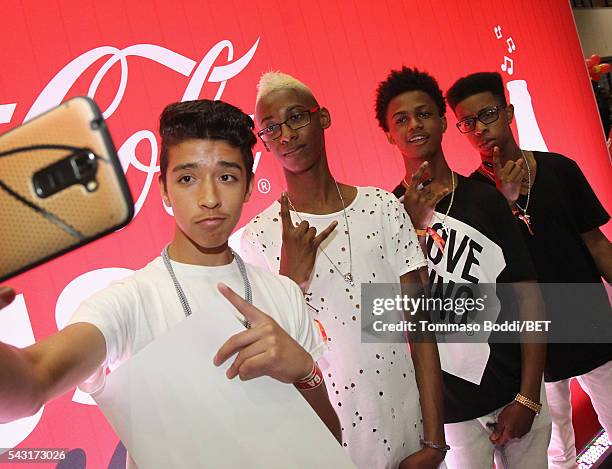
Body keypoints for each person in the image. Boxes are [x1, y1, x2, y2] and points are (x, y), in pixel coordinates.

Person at [0, 99, 341, 468]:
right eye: (187, 178)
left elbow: (330, 444)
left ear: (247, 186)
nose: (209, 199)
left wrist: (306, 372)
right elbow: (33, 381)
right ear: (164, 189)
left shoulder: (284, 294)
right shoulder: (130, 301)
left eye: (226, 177)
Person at [240, 72, 446, 469]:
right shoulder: (258, 238)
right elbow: (269, 361)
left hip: (408, 431)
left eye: (297, 117)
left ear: (324, 118)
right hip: (328, 445)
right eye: (271, 128)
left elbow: (421, 330)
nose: (286, 135)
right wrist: (289, 281)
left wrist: (435, 444)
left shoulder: (383, 207)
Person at [375, 66, 551, 469]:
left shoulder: (486, 200)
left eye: (423, 113)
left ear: (441, 121)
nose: (414, 125)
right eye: (400, 119)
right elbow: (397, 316)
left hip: (514, 390)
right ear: (388, 134)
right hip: (451, 412)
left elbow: (529, 297)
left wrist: (528, 396)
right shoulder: (385, 215)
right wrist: (416, 231)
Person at [447, 71, 612, 469]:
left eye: (488, 114)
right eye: (467, 123)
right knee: (558, 455)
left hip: (589, 324)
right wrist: (503, 202)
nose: (480, 128)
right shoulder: (472, 198)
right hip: (529, 348)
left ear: (509, 112)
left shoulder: (559, 170)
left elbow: (596, 243)